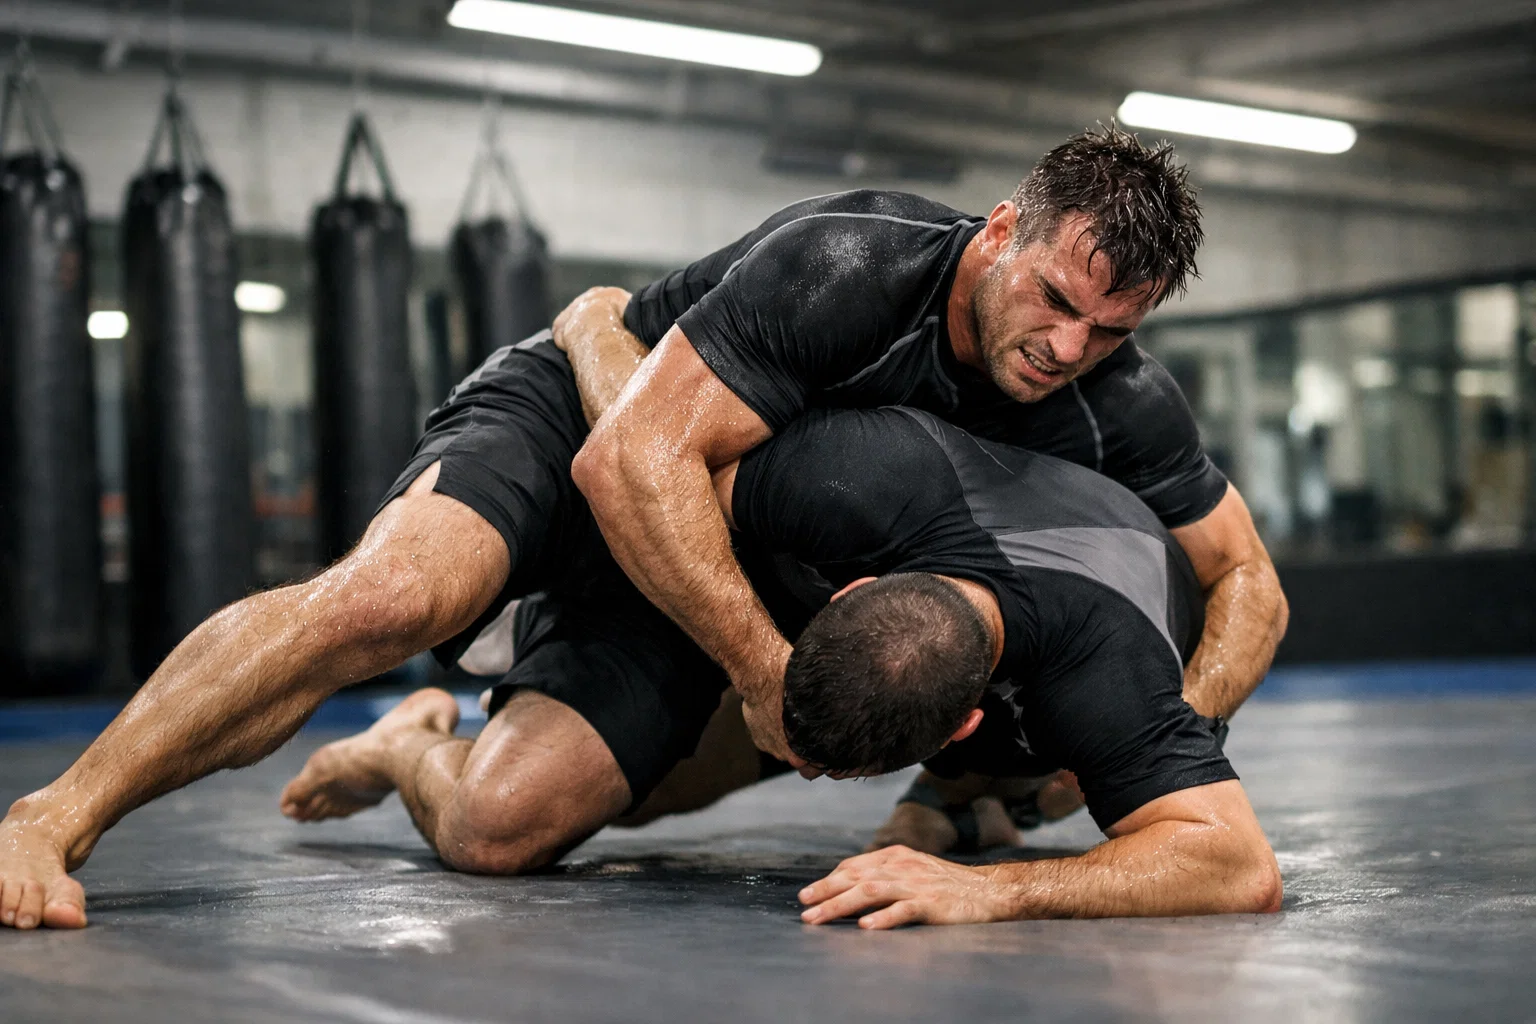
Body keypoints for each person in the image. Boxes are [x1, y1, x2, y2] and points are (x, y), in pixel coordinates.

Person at [0, 334, 1277, 931]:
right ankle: (51, 813)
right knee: (390, 599)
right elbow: (622, 405)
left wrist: (984, 886)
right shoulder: (844, 477)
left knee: (508, 828)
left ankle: (410, 744)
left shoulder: (1111, 669)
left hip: (803, 601)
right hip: (601, 427)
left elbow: (1228, 859)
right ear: (835, 592)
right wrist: (751, 660)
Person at [557, 127, 1289, 774]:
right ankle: (594, 325)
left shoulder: (1126, 402)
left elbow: (1248, 576)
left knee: (507, 821)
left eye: (1110, 331)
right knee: (440, 586)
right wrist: (760, 670)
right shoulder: (853, 269)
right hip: (659, 505)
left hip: (821, 614)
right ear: (1002, 233)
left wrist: (1180, 727)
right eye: (1057, 300)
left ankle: (968, 801)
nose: (1070, 348)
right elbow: (638, 457)